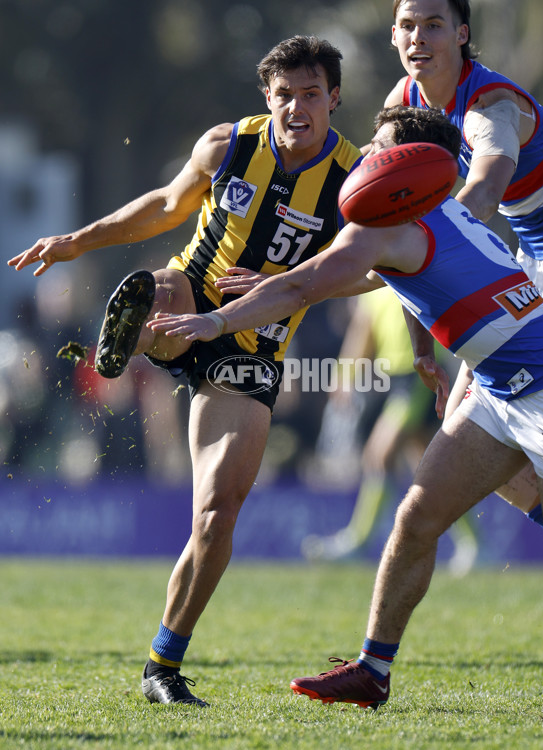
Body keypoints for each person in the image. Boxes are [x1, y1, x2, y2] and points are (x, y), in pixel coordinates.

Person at [146, 105, 543, 710]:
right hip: (498, 392)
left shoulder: (390, 222)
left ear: (408, 165)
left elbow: (307, 286)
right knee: (414, 519)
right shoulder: (432, 210)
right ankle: (372, 671)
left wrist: (216, 320)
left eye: (380, 149)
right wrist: (419, 354)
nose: (366, 159)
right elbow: (365, 279)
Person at [8, 35, 363, 705]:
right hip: (187, 296)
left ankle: (161, 667)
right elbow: (167, 206)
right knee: (164, 289)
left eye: (311, 95)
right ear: (268, 98)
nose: (296, 108)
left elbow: (373, 272)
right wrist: (76, 243)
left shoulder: (354, 178)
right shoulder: (228, 145)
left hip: (252, 347)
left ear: (334, 99)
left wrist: (289, 283)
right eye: (284, 95)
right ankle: (137, 337)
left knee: (214, 517)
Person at [384, 0, 543, 654]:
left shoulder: (493, 104)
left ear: (462, 33)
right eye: (407, 26)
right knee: (473, 425)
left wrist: (442, 230)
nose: (418, 38)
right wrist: (423, 346)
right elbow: (381, 214)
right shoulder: (404, 104)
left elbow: (485, 178)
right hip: (529, 269)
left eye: (433, 25)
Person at [302, 286, 478, 575]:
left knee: (378, 455)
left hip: (420, 377)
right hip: (393, 380)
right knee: (434, 468)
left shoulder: (413, 274)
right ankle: (476, 545)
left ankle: (359, 542)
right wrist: (344, 377)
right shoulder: (374, 284)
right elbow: (364, 331)